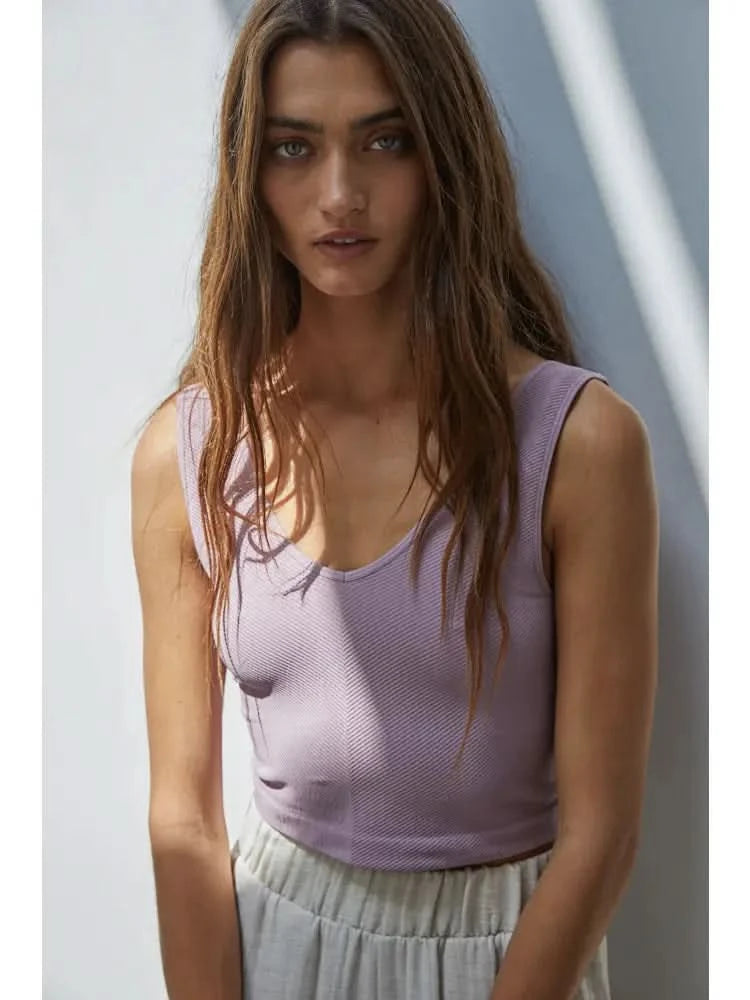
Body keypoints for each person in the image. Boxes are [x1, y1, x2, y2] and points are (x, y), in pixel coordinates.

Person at [130, 1, 659, 997]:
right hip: (273, 944)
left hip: (511, 960)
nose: (340, 192)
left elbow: (601, 835)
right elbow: (184, 820)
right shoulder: (189, 453)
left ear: (443, 157)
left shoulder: (577, 445)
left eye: (386, 140)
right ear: (250, 176)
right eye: (294, 148)